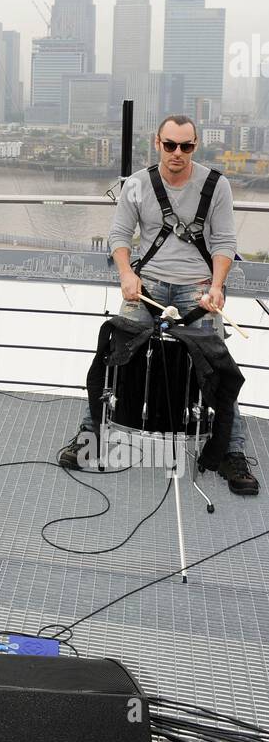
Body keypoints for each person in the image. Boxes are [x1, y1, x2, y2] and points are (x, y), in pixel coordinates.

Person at [58, 114, 259, 495]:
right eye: (170, 145)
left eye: (186, 146)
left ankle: (231, 451)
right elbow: (119, 235)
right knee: (113, 354)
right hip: (146, 285)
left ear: (195, 146)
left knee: (217, 365)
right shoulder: (137, 185)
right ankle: (91, 433)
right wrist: (126, 275)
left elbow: (224, 243)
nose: (177, 153)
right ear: (157, 143)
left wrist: (216, 287)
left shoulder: (217, 186)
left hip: (196, 288)